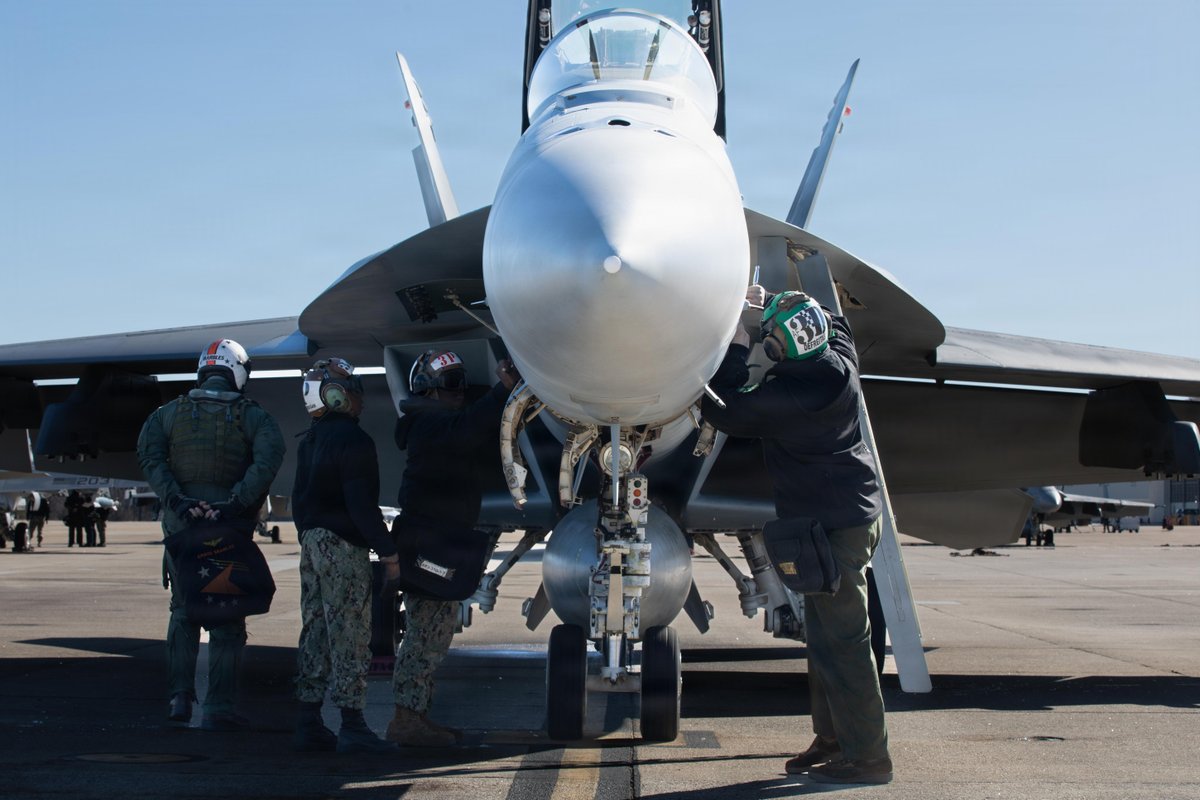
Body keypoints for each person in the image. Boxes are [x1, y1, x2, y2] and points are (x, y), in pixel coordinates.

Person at [701, 286, 892, 785]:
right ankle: (834, 739)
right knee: (825, 640)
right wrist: (777, 302)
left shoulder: (791, 398)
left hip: (835, 528)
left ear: (778, 347)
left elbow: (722, 408)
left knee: (846, 642)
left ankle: (869, 757)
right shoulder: (839, 357)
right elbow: (835, 321)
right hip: (846, 515)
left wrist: (738, 343)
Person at [137, 338, 285, 730]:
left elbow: (150, 457)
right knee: (227, 613)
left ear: (204, 370)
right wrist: (233, 504)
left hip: (181, 524)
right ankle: (219, 707)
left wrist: (179, 501)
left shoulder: (166, 414)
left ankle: (179, 697)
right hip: (227, 526)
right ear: (238, 372)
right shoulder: (254, 417)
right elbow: (268, 461)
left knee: (183, 608)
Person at [386, 350, 518, 746]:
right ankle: (406, 718)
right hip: (431, 543)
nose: (458, 390)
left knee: (434, 632)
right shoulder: (430, 425)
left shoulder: (435, 422)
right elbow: (468, 429)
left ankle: (416, 715)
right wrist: (503, 391)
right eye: (449, 383)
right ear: (427, 390)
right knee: (425, 635)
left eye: (460, 381)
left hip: (438, 539)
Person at [291, 357, 400, 754]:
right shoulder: (355, 440)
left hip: (312, 543)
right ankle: (353, 726)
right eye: (353, 391)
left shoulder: (310, 440)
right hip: (342, 548)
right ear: (334, 396)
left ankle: (308, 722)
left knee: (315, 631)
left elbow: (299, 503)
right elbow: (361, 505)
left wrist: (312, 537)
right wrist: (388, 552)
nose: (361, 399)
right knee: (350, 634)